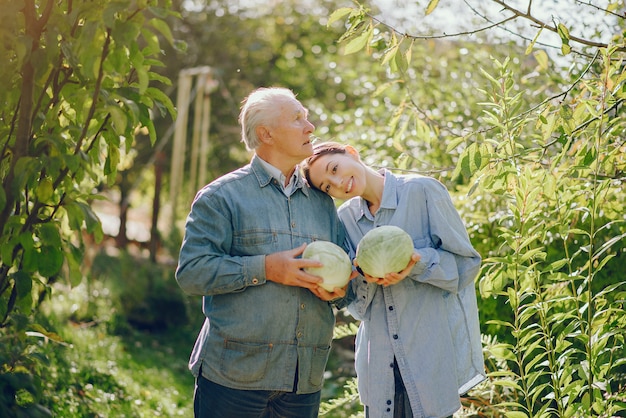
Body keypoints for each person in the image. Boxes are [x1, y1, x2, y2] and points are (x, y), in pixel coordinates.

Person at [175, 87, 350, 418]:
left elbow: (344, 283)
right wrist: (267, 268)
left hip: (303, 382)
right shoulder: (222, 197)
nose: (310, 126)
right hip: (234, 379)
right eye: (297, 118)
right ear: (265, 133)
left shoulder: (323, 203)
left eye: (307, 117)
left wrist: (339, 290)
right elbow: (192, 273)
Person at [301, 142, 485, 418]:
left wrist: (415, 262)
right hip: (379, 365)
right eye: (328, 187)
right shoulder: (344, 219)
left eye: (335, 168)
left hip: (429, 358)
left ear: (351, 152)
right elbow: (358, 305)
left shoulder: (423, 191)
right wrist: (342, 289)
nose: (338, 183)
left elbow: (467, 265)